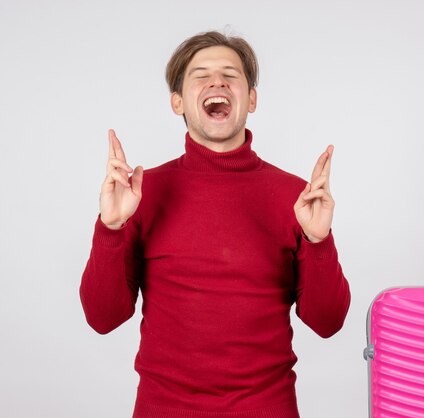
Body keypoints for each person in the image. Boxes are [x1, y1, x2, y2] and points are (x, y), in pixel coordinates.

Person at [79, 30, 350, 418]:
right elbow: (103, 318)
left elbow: (328, 323)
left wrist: (317, 239)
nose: (217, 82)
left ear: (251, 99)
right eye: (201, 75)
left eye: (230, 74)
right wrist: (111, 228)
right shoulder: (141, 192)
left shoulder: (297, 197)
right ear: (178, 102)